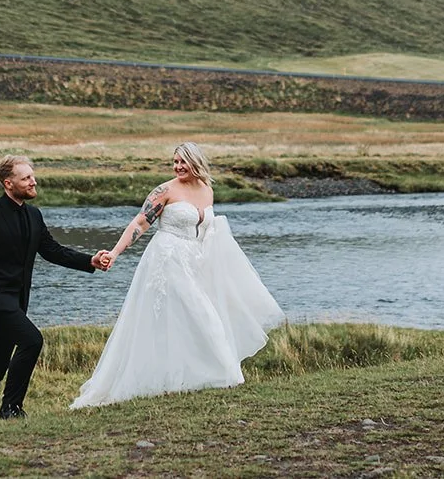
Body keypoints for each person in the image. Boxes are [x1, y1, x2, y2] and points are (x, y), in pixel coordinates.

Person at [70, 142, 284, 408]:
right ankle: (225, 376)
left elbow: (208, 230)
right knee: (199, 314)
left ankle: (193, 379)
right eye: (175, 162)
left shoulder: (207, 190)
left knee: (188, 320)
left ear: (196, 162)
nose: (178, 167)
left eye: (183, 162)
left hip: (195, 262)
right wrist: (114, 253)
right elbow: (139, 222)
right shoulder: (165, 190)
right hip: (167, 260)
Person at [0, 155, 113, 422]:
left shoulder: (33, 214)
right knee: (33, 340)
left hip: (18, 298)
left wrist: (89, 260)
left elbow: (52, 250)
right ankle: (11, 408)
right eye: (26, 178)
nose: (34, 181)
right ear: (8, 183)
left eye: (32, 176)